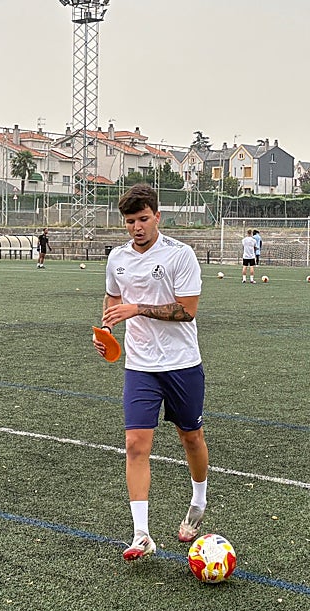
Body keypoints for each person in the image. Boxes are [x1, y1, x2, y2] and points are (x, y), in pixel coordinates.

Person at [94, 183, 209, 561]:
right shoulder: (117, 258)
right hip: (140, 367)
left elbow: (186, 310)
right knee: (135, 445)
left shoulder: (180, 255)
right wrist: (107, 330)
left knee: (190, 438)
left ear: (157, 216)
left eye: (144, 219)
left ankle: (198, 501)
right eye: (130, 221)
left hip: (181, 364)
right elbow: (113, 298)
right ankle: (141, 533)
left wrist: (138, 308)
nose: (137, 227)